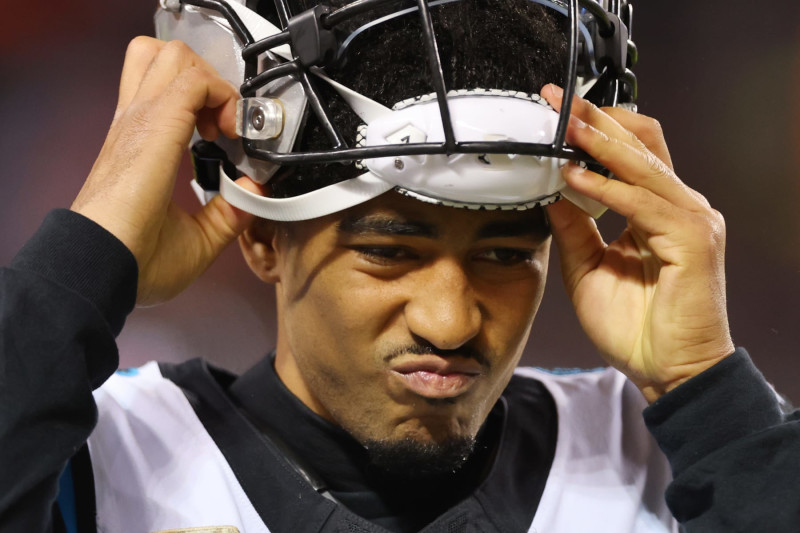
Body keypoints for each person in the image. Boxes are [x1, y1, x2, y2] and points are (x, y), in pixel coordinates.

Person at [1, 0, 798, 532]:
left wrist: (709, 392)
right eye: (389, 251)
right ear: (259, 236)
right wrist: (85, 259)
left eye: (505, 253)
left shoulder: (667, 454)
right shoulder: (99, 460)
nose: (449, 321)